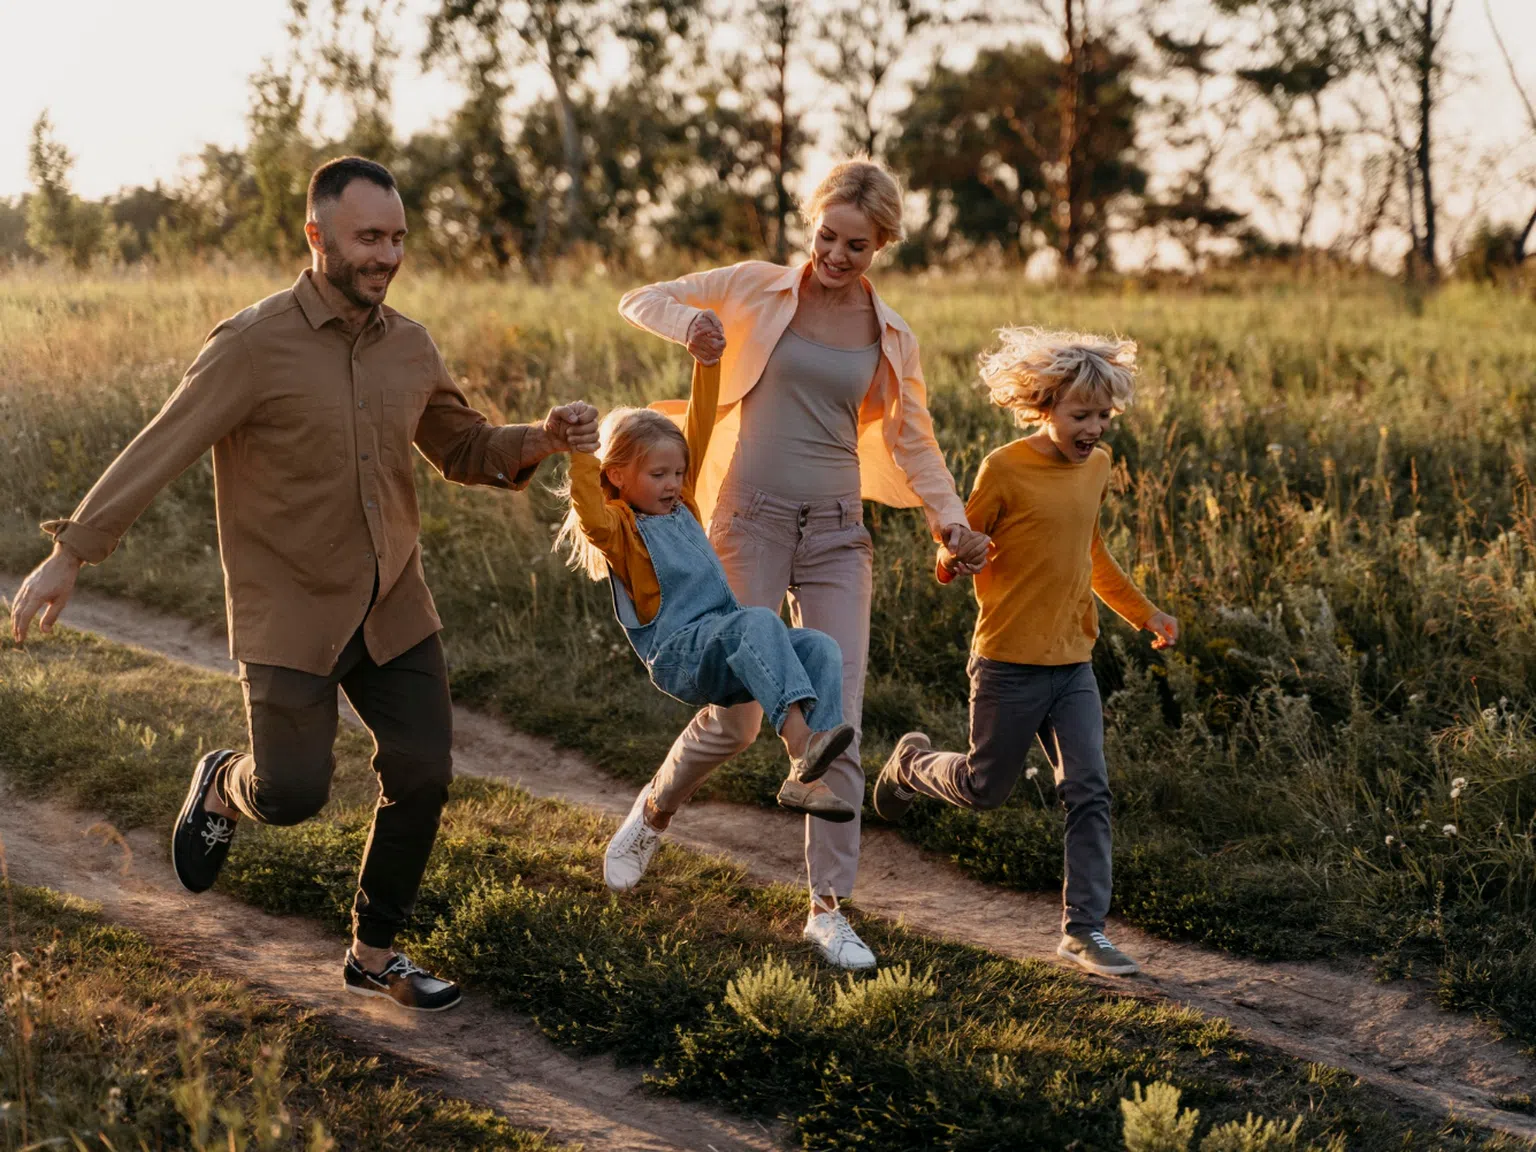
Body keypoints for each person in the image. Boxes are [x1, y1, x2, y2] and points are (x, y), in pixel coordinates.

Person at [7, 156, 599, 1013]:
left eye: (396, 237)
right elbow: (161, 445)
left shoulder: (411, 346)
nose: (387, 256)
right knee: (291, 795)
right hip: (290, 608)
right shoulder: (252, 343)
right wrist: (73, 552)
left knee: (424, 772)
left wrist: (539, 439)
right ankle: (221, 783)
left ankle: (374, 953)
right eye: (368, 238)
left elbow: (463, 448)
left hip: (394, 600)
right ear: (316, 236)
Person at [612, 158, 990, 970]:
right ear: (811, 224)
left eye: (857, 244)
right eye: (827, 236)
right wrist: (691, 329)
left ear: (881, 244)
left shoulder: (889, 335)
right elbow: (641, 298)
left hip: (837, 533)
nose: (837, 255)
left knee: (835, 714)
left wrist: (950, 521)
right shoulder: (756, 286)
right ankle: (652, 812)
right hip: (747, 520)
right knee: (740, 715)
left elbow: (912, 441)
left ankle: (827, 910)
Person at [871, 327, 1179, 978]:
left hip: (1072, 663)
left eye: (1103, 415)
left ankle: (1084, 931)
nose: (1094, 428)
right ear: (1043, 407)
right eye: (1080, 415)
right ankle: (911, 764)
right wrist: (957, 556)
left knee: (1089, 791)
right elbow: (953, 552)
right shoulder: (1004, 469)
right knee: (985, 789)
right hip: (1008, 662)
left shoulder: (1095, 469)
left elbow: (1092, 555)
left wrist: (1144, 613)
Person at [556, 359, 860, 893]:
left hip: (724, 646)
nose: (674, 483)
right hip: (681, 658)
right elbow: (588, 508)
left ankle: (807, 776)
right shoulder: (622, 531)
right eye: (658, 475)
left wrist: (708, 360)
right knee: (758, 622)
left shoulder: (684, 504)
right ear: (617, 476)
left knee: (820, 648)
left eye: (678, 472)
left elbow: (697, 423)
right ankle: (799, 746)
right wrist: (581, 450)